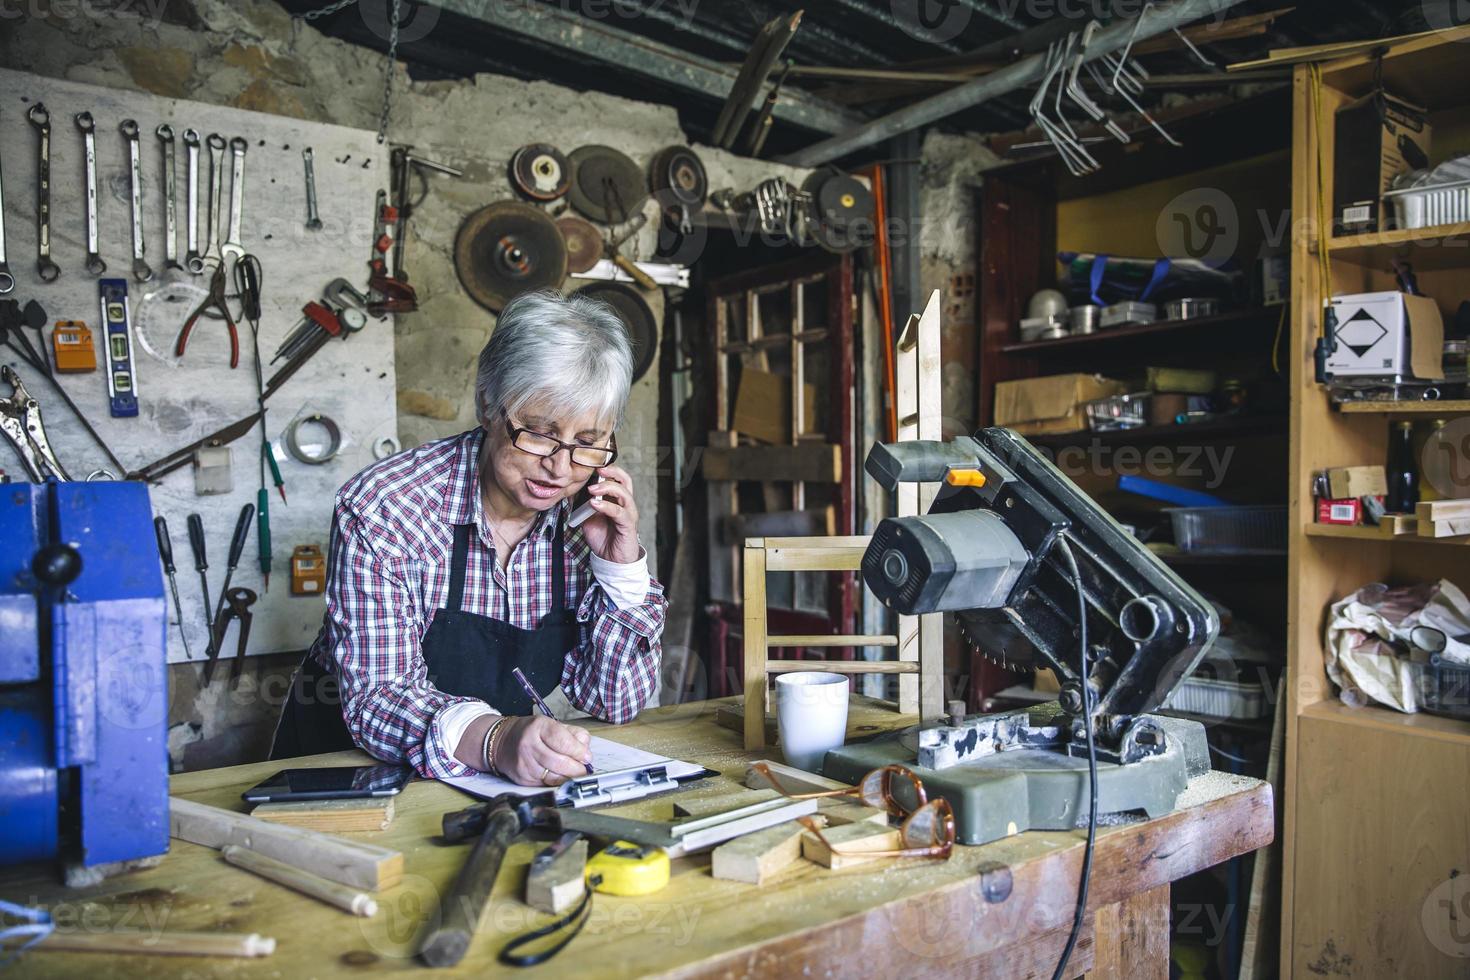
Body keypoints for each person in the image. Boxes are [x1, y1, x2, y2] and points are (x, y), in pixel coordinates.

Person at [271, 290, 666, 786]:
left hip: (490, 785)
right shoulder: (385, 508)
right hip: (349, 778)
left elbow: (615, 701)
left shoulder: (588, 521)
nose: (561, 467)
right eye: (540, 434)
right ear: (487, 405)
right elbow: (378, 696)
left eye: (588, 444)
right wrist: (496, 741)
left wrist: (622, 571)